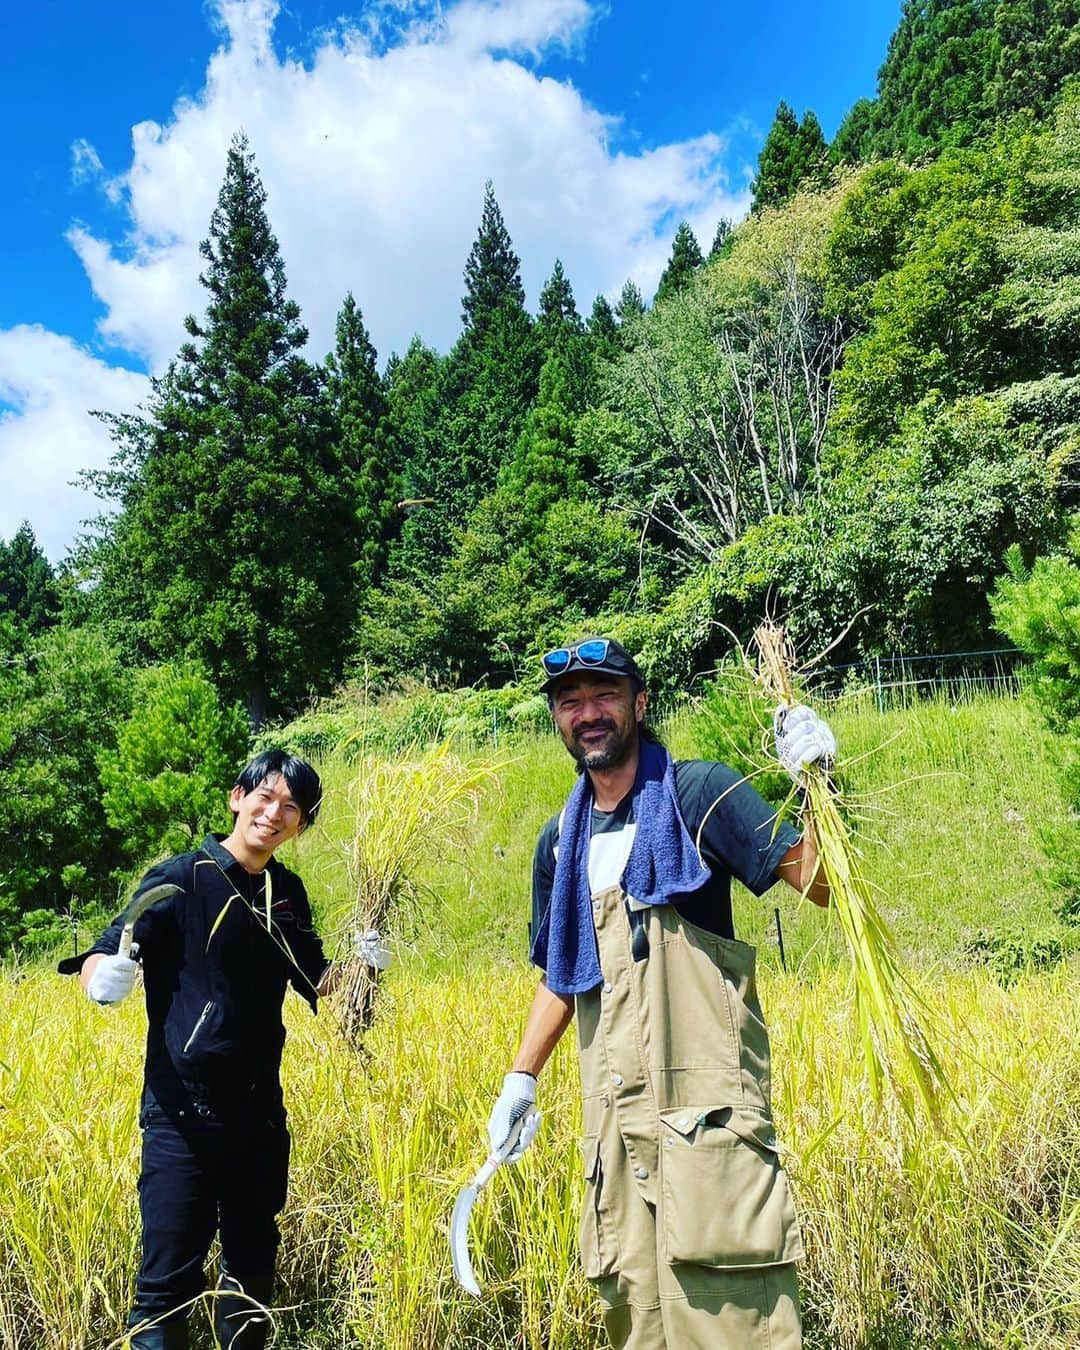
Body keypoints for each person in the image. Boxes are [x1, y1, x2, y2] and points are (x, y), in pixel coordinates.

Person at [484, 637, 834, 1350]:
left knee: (731, 1315)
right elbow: (561, 974)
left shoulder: (699, 795)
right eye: (571, 702)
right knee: (636, 1315)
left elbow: (823, 884)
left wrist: (820, 785)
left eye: (605, 695)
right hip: (611, 1121)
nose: (589, 713)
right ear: (556, 719)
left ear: (640, 704)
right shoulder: (560, 843)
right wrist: (520, 1078)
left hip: (704, 1114)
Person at [60, 749, 385, 1350]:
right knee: (164, 1293)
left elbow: (323, 987)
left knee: (251, 1286)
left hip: (259, 1118)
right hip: (181, 1117)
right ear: (237, 797)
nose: (274, 813)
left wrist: (365, 969)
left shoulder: (286, 892)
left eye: (291, 807)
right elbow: (110, 947)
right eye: (264, 796)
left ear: (301, 826)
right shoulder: (180, 877)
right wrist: (100, 976)